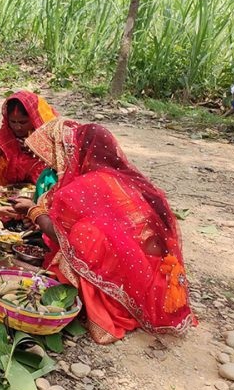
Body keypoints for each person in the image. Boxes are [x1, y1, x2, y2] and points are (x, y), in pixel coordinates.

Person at [11, 119, 195, 344]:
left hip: (132, 278)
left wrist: (33, 211)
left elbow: (60, 233)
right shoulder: (127, 179)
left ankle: (104, 303)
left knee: (84, 234)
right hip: (157, 279)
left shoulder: (84, 186)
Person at [0, 91, 59, 207]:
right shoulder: (4, 136)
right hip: (7, 195)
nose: (17, 127)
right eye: (13, 122)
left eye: (23, 122)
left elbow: (63, 168)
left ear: (34, 118)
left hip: (42, 197)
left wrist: (38, 149)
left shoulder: (50, 135)